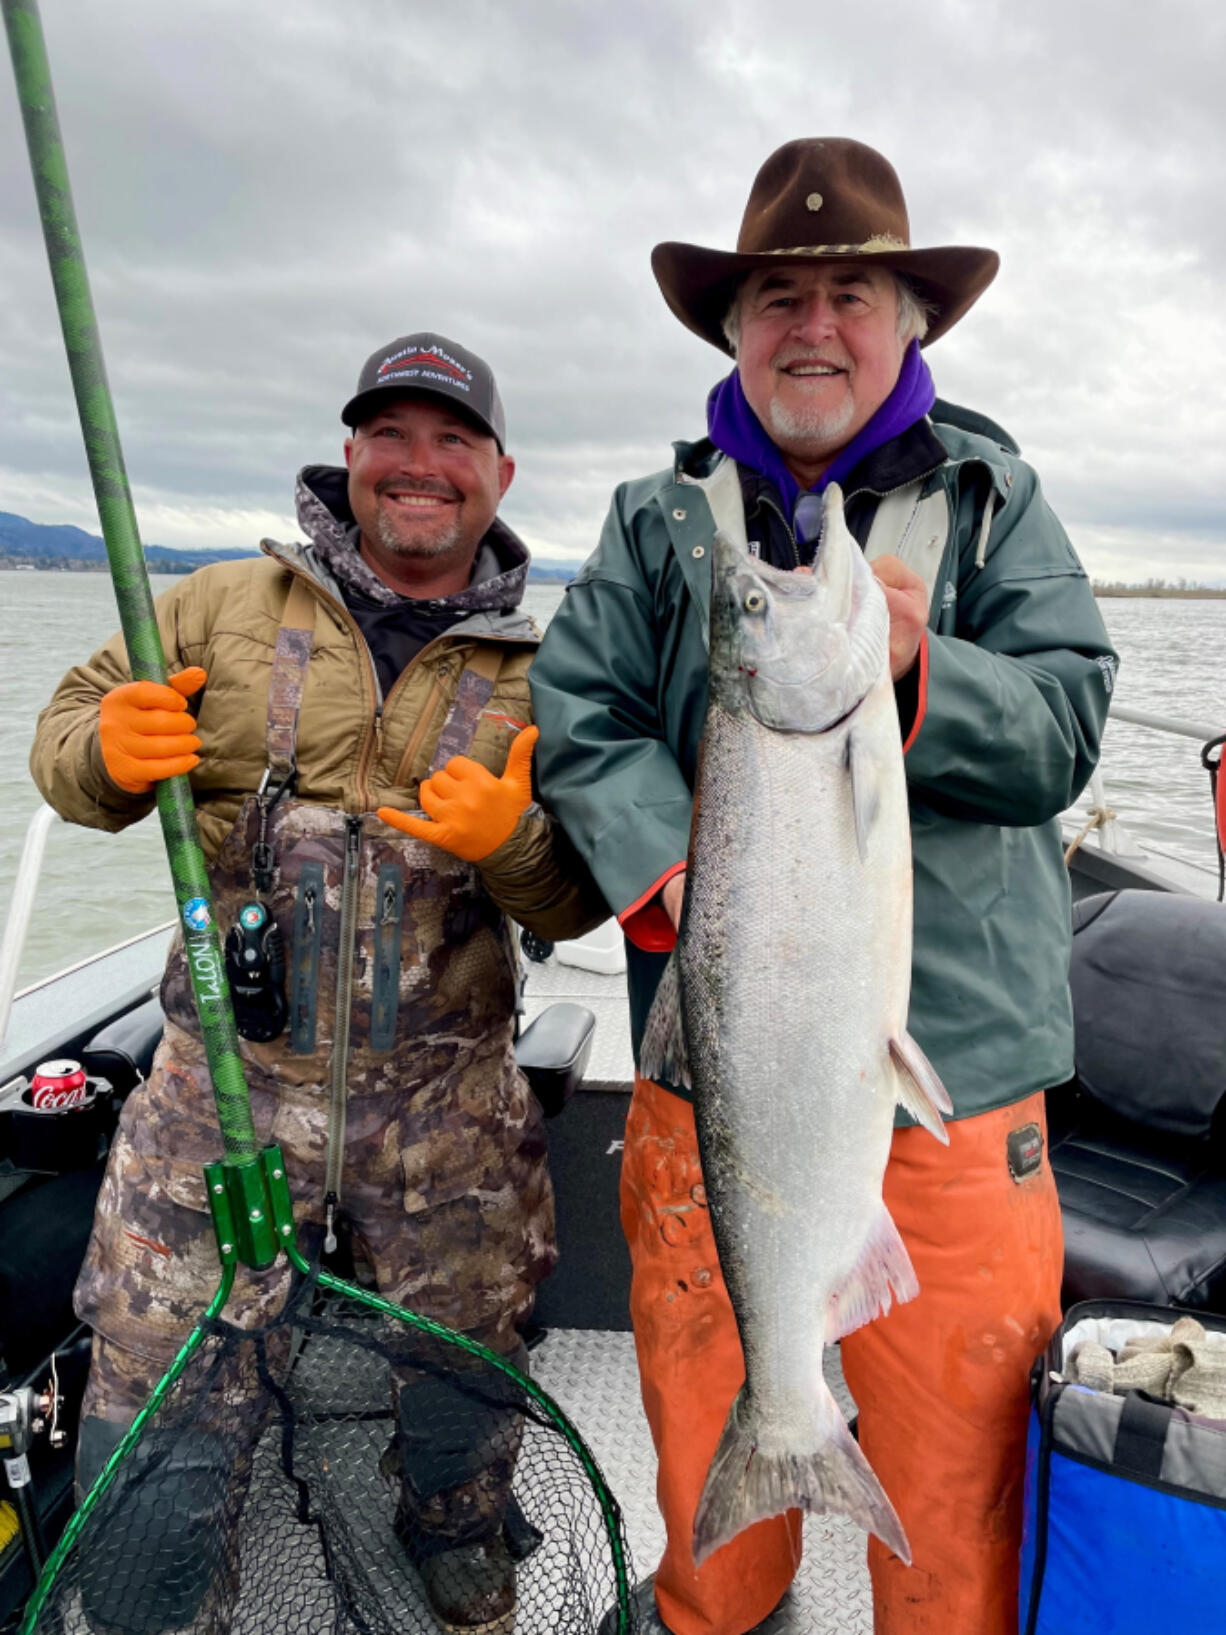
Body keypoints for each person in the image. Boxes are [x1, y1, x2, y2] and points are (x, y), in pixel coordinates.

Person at [529, 139, 1118, 1635]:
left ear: (907, 320)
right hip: (712, 1076)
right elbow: (580, 718)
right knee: (702, 1450)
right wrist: (675, 871)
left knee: (954, 1483)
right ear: (730, 329)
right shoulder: (652, 523)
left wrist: (930, 667)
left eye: (848, 292)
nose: (810, 326)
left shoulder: (995, 502)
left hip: (956, 1082)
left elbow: (1062, 729)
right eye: (776, 295)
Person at [30, 331, 604, 1634]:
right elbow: (65, 741)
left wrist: (510, 844)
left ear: (499, 471)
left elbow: (577, 896)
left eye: (451, 439)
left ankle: (455, 1543)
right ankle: (153, 1601)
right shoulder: (214, 605)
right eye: (389, 434)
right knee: (152, 1409)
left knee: (464, 1391)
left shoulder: (555, 672)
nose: (418, 465)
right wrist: (106, 751)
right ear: (346, 456)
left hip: (450, 1112)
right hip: (214, 1101)